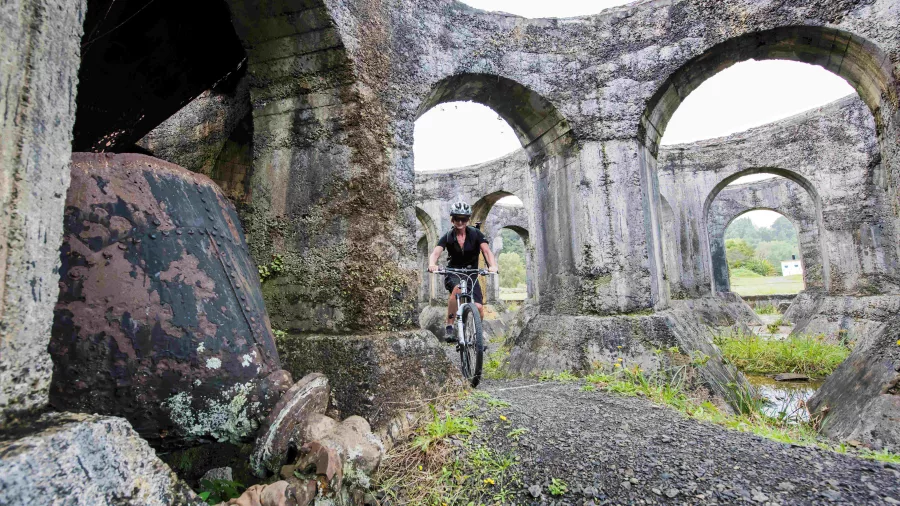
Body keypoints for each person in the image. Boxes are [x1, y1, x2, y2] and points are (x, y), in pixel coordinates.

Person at [427, 201, 498, 342]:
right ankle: (450, 326)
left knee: (478, 307)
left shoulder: (476, 234)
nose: (460, 222)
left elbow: (486, 251)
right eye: (457, 218)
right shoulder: (448, 236)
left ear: (468, 220)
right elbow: (435, 253)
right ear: (452, 219)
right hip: (454, 272)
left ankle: (477, 335)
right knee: (458, 289)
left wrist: (493, 265)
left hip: (472, 273)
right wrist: (432, 264)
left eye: (464, 219)